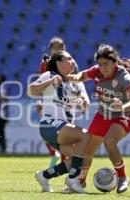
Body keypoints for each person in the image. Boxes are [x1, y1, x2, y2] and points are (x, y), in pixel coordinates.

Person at [66, 44, 130, 194]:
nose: (102, 67)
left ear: (114, 62)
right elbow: (83, 76)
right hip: (103, 115)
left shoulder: (123, 76)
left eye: (106, 64)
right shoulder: (97, 71)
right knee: (87, 151)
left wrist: (123, 107)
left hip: (124, 115)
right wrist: (74, 78)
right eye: (100, 64)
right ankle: (80, 182)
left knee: (109, 141)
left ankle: (122, 177)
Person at [27, 51, 90, 193]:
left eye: (72, 58)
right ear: (59, 63)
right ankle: (73, 179)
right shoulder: (49, 75)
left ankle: (43, 176)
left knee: (82, 159)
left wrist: (83, 101)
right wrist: (50, 82)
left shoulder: (77, 82)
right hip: (49, 124)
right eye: (68, 59)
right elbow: (30, 91)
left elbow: (86, 103)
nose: (72, 61)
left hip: (62, 128)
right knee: (85, 135)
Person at [37, 36, 78, 168]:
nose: (57, 50)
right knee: (49, 130)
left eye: (60, 48)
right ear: (51, 50)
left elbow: (76, 82)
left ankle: (65, 163)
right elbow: (40, 83)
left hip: (65, 103)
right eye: (55, 48)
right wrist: (39, 100)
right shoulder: (45, 65)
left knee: (67, 135)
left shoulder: (71, 63)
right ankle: (59, 158)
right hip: (50, 103)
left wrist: (75, 99)